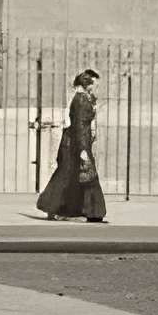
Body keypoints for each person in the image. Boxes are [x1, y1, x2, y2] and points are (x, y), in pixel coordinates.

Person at [38, 68, 108, 223]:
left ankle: (57, 208)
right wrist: (83, 149)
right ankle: (92, 212)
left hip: (73, 143)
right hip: (76, 145)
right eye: (95, 84)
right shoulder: (82, 100)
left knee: (69, 176)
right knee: (83, 176)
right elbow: (80, 126)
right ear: (87, 84)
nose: (97, 87)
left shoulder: (81, 98)